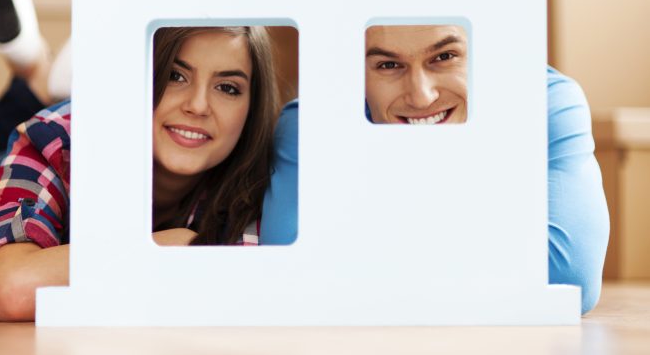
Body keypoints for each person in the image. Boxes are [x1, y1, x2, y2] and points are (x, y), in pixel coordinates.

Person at [0, 0, 279, 321]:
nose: (198, 105)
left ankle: (42, 72)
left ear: (252, 105)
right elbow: (16, 289)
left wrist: (48, 270)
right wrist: (173, 244)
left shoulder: (262, 182)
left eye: (228, 87)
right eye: (176, 76)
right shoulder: (59, 140)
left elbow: (252, 291)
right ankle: (35, 72)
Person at [261, 23, 610, 315]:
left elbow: (568, 277)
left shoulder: (545, 100)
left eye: (444, 57)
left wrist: (360, 239)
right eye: (387, 65)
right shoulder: (312, 122)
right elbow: (288, 268)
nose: (421, 96)